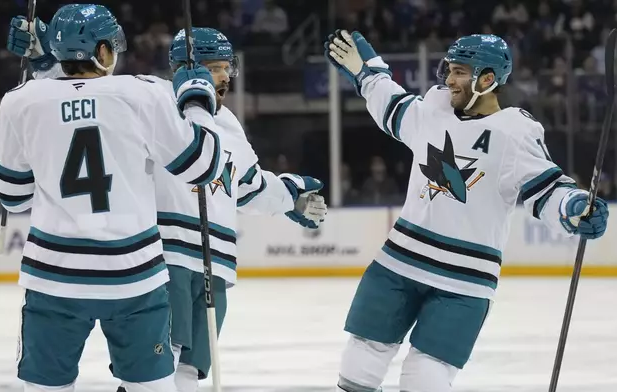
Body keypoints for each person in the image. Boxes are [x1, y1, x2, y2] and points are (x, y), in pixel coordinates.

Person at [324, 30, 609, 391]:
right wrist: (367, 73)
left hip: (465, 282)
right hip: (398, 263)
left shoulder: (515, 131)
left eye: (459, 71)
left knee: (425, 379)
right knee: (357, 367)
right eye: (449, 69)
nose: (449, 79)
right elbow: (393, 105)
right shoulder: (435, 107)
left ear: (487, 79)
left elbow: (548, 189)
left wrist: (573, 208)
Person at [0, 5, 225, 392]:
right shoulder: (144, 93)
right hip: (133, 278)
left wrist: (44, 69)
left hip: (54, 278)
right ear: (102, 53)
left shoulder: (21, 101)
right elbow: (204, 166)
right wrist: (198, 102)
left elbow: (13, 197)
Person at [143, 27, 328, 391]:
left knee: (190, 370)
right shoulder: (154, 103)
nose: (225, 76)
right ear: (184, 69)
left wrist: (290, 197)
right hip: (168, 259)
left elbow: (248, 186)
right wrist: (50, 70)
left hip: (215, 264)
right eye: (214, 67)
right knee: (157, 365)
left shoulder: (226, 122)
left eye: (227, 67)